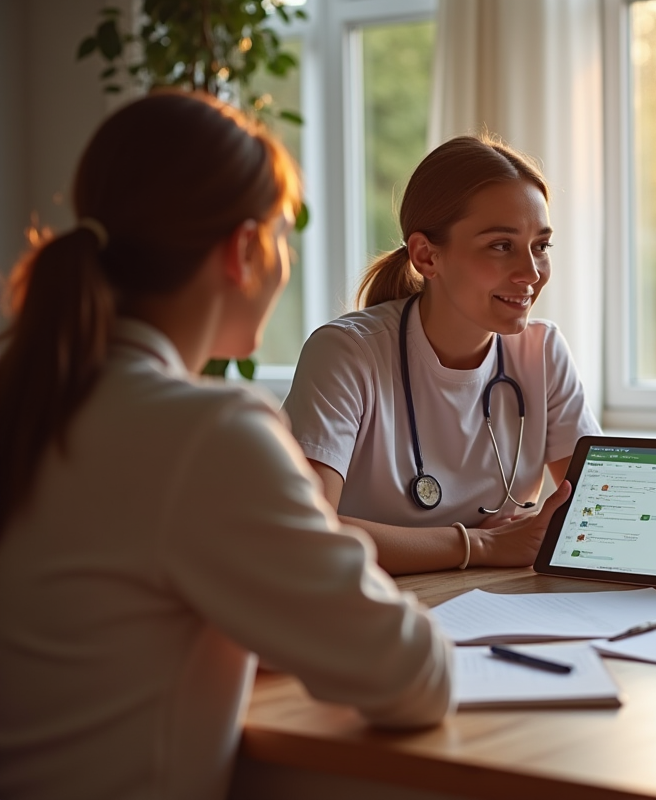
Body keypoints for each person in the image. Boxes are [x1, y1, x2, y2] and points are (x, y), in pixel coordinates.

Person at [0, 92, 453, 800]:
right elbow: (414, 679)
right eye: (280, 236)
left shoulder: (34, 393)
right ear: (243, 251)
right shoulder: (206, 432)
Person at [283, 134, 601, 575]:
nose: (531, 273)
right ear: (426, 256)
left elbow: (598, 511)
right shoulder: (347, 353)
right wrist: (482, 545)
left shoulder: (542, 352)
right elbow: (301, 533)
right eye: (501, 245)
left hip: (499, 607)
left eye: (541, 246)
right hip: (369, 613)